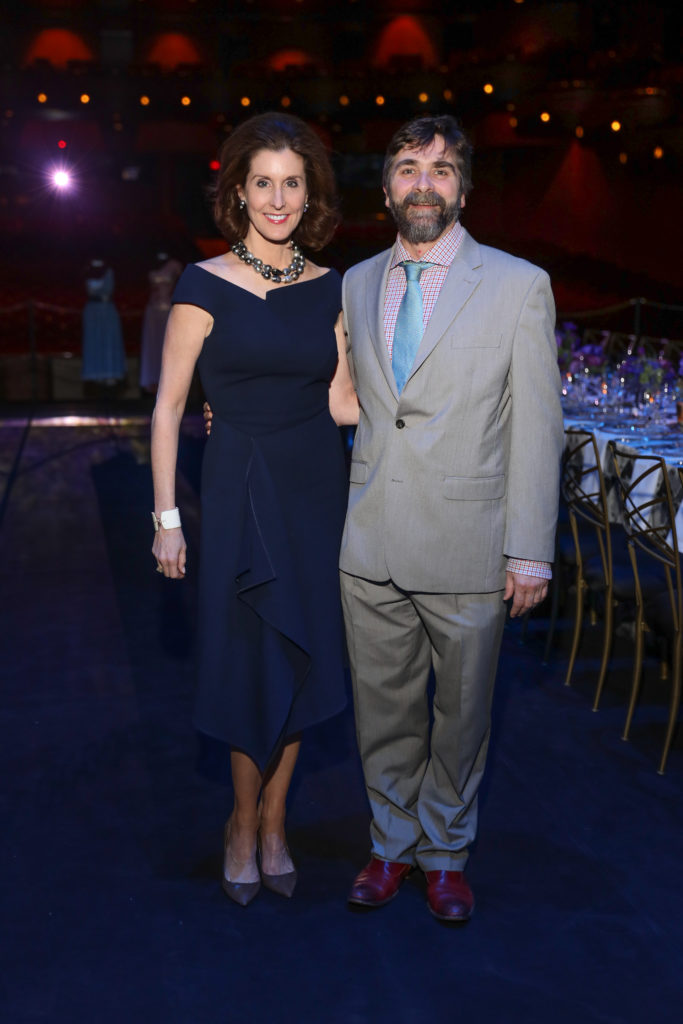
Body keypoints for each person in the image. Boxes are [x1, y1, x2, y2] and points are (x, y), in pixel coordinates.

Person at [341, 115, 564, 922]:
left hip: (470, 545)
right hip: (368, 542)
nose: (423, 183)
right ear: (387, 188)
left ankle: (443, 851)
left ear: (462, 188)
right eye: (406, 167)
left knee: (462, 715)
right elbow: (348, 399)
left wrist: (529, 552)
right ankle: (389, 844)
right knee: (383, 712)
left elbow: (539, 425)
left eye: (440, 169)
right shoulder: (356, 281)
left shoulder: (516, 284)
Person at [151, 112, 358, 908]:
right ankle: (241, 821)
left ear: (311, 197)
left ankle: (276, 822)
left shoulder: (332, 287)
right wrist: (166, 518)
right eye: (263, 182)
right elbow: (170, 407)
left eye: (292, 184)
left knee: (304, 652)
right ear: (238, 192)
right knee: (247, 657)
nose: (277, 198)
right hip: (237, 484)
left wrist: (428, 408)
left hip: (314, 489)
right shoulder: (202, 285)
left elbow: (342, 403)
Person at [139, 251, 183, 394]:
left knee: (169, 345)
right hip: (152, 311)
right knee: (153, 347)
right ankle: (152, 384)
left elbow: (182, 285)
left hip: (168, 310)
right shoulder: (149, 263)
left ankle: (172, 384)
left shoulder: (174, 265)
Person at [81, 258, 126, 387]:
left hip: (107, 311)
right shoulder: (87, 270)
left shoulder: (109, 271)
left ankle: (111, 373)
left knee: (109, 341)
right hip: (92, 311)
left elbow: (108, 289)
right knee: (93, 341)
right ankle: (95, 375)